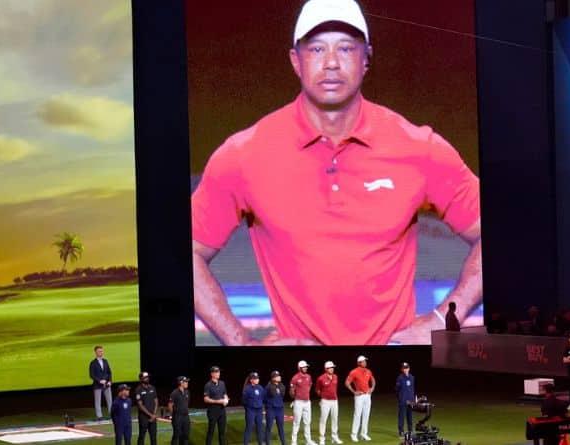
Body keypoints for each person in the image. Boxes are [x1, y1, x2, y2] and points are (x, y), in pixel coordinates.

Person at [191, 0, 482, 346]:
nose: (331, 63)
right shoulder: (243, 155)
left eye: (345, 48)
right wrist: (242, 344)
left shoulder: (419, 148)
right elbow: (186, 253)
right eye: (316, 49)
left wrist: (442, 317)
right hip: (298, 376)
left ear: (366, 59)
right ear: (296, 62)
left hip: (391, 366)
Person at [345, 355, 375, 442]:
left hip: (367, 396)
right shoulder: (354, 372)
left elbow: (373, 380)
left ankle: (363, 434)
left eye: (365, 361)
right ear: (359, 363)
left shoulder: (368, 371)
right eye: (363, 361)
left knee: (366, 415)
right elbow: (347, 382)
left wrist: (372, 388)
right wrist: (354, 392)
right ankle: (354, 434)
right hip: (359, 396)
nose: (365, 362)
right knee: (357, 415)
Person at [290, 360, 317, 445]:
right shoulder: (295, 378)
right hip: (298, 402)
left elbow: (310, 385)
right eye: (304, 367)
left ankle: (308, 441)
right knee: (296, 422)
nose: (305, 368)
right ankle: (294, 442)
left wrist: (306, 393)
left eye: (306, 367)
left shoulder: (309, 376)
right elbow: (291, 391)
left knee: (307, 422)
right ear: (299, 368)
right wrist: (295, 399)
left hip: (307, 402)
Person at [316, 361, 343, 445]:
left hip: (335, 401)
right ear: (326, 369)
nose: (332, 369)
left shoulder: (335, 377)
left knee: (335, 419)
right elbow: (317, 390)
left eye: (333, 367)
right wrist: (322, 398)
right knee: (323, 420)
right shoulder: (321, 378)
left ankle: (334, 437)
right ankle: (322, 439)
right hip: (325, 401)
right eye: (330, 368)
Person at [204, 366, 229, 445]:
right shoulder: (208, 385)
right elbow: (206, 399)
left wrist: (226, 399)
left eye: (219, 372)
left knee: (222, 433)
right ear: (212, 374)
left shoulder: (222, 383)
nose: (219, 373)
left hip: (222, 411)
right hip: (212, 411)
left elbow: (225, 394)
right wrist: (219, 401)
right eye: (217, 372)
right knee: (210, 432)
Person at [89, 345, 112, 420]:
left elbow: (109, 372)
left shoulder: (105, 361)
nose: (101, 352)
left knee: (109, 400)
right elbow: (92, 375)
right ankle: (99, 416)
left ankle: (111, 414)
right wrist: (99, 380)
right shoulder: (93, 363)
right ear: (95, 352)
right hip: (97, 385)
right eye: (99, 351)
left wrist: (110, 381)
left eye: (102, 351)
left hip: (107, 384)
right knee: (97, 401)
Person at [134, 371, 158, 445]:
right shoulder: (138, 389)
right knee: (142, 436)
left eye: (148, 377)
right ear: (141, 379)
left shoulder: (152, 387)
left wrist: (154, 414)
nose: (147, 379)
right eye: (145, 377)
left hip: (153, 417)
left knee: (154, 436)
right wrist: (151, 415)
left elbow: (156, 401)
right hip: (143, 417)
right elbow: (140, 405)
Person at [265, 370, 287, 445]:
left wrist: (278, 385)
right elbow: (272, 393)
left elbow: (283, 393)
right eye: (277, 376)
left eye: (279, 376)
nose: (279, 377)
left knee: (281, 427)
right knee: (269, 427)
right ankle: (267, 443)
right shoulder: (268, 386)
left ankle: (284, 443)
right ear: (273, 378)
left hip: (280, 409)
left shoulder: (281, 385)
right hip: (271, 409)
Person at [243, 372, 265, 445]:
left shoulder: (260, 387)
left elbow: (262, 398)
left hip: (259, 411)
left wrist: (261, 408)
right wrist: (248, 409)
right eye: (255, 378)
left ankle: (260, 443)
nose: (257, 379)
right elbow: (244, 401)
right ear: (251, 380)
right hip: (251, 410)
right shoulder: (247, 388)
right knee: (249, 428)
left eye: (257, 378)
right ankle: (246, 443)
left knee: (259, 428)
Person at [169, 376, 190, 445]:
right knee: (177, 435)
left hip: (186, 417)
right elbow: (170, 405)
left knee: (186, 436)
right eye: (186, 381)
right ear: (181, 383)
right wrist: (174, 415)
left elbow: (186, 403)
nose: (187, 383)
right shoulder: (174, 393)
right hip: (177, 417)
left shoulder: (187, 392)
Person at [395, 363, 415, 438]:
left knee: (410, 417)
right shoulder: (400, 378)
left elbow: (412, 389)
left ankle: (410, 431)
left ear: (409, 368)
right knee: (401, 417)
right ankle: (401, 432)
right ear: (402, 369)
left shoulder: (412, 377)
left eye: (406, 368)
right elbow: (397, 390)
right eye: (404, 368)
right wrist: (400, 398)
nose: (405, 369)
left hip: (410, 401)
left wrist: (412, 400)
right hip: (403, 401)